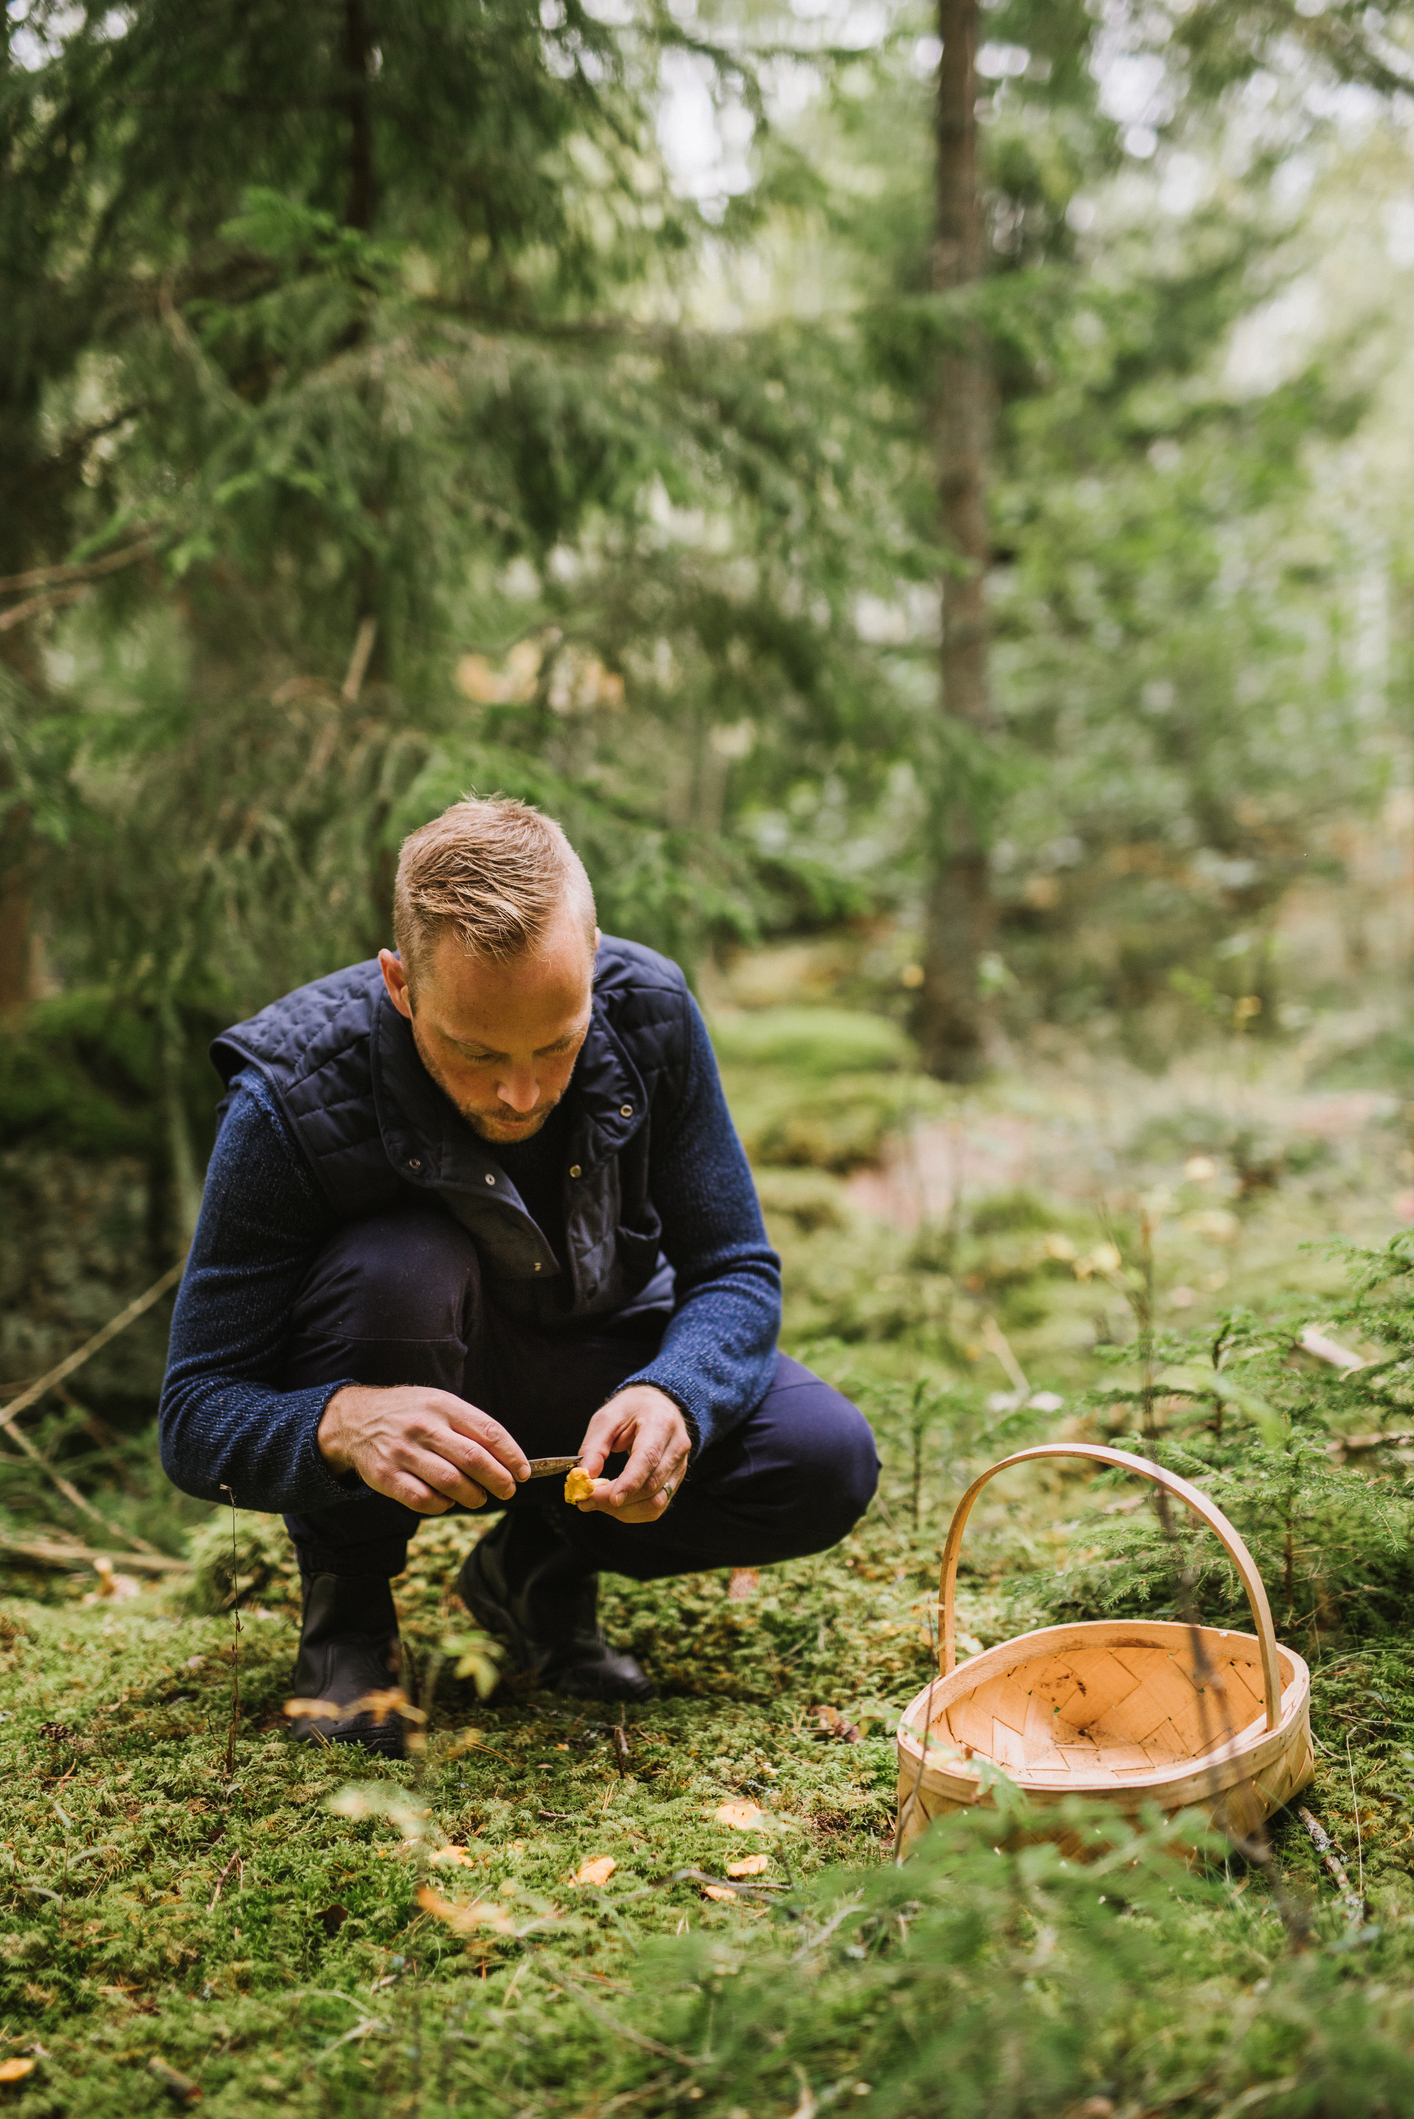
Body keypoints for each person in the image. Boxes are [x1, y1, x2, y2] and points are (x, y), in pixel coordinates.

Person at [159, 798, 879, 1754]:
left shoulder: (651, 1009)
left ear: (592, 967)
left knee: (823, 1458)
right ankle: (350, 1621)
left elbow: (735, 1269)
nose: (520, 1091)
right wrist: (341, 1421)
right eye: (475, 1049)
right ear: (401, 983)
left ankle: (533, 1573)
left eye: (557, 1043)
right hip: (410, 1364)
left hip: (598, 1366)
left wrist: (675, 1394)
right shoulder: (290, 1094)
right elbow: (195, 1410)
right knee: (399, 1268)